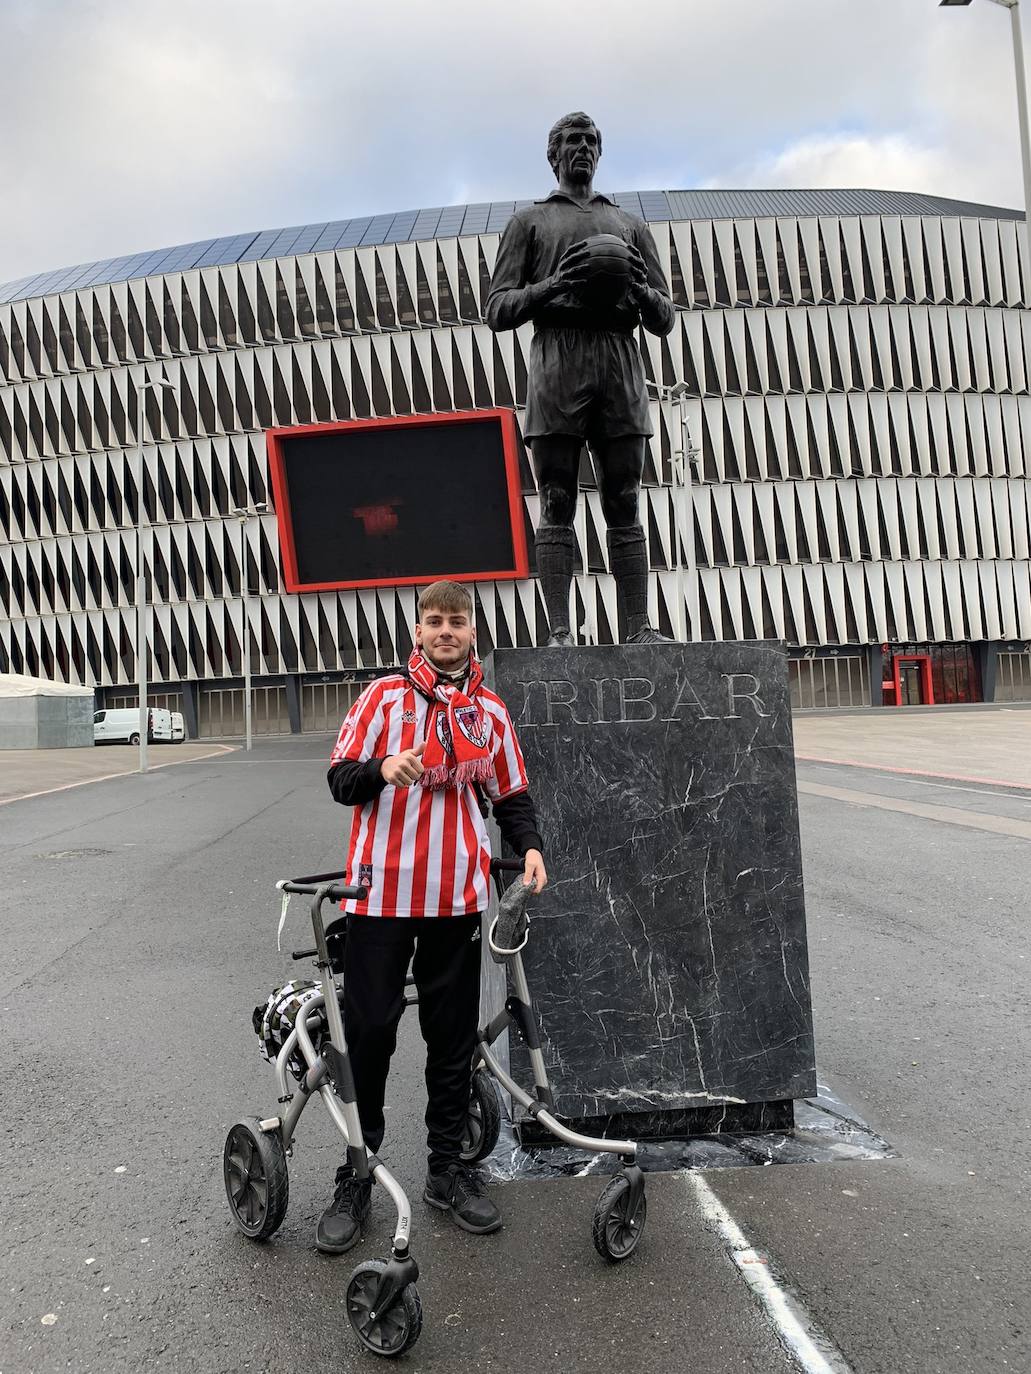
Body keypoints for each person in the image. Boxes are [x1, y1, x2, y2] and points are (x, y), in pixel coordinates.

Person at [317, 579, 547, 1252]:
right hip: (381, 896)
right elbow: (339, 779)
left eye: (456, 621)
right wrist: (381, 767)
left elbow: (512, 794)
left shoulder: (490, 713)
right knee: (370, 1035)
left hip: (455, 900)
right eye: (433, 620)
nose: (445, 631)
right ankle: (357, 1173)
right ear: (417, 631)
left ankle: (446, 1170)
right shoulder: (382, 698)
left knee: (451, 1041)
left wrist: (529, 847)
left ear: (471, 632)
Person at [485, 110, 676, 645]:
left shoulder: (630, 226)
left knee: (624, 497)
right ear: (554, 155)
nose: (582, 147)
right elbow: (497, 309)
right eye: (571, 140)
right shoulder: (530, 223)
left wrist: (638, 292)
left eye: (590, 140)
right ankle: (560, 633)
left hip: (619, 358)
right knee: (556, 498)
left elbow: (664, 318)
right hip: (557, 358)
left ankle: (636, 627)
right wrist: (552, 285)